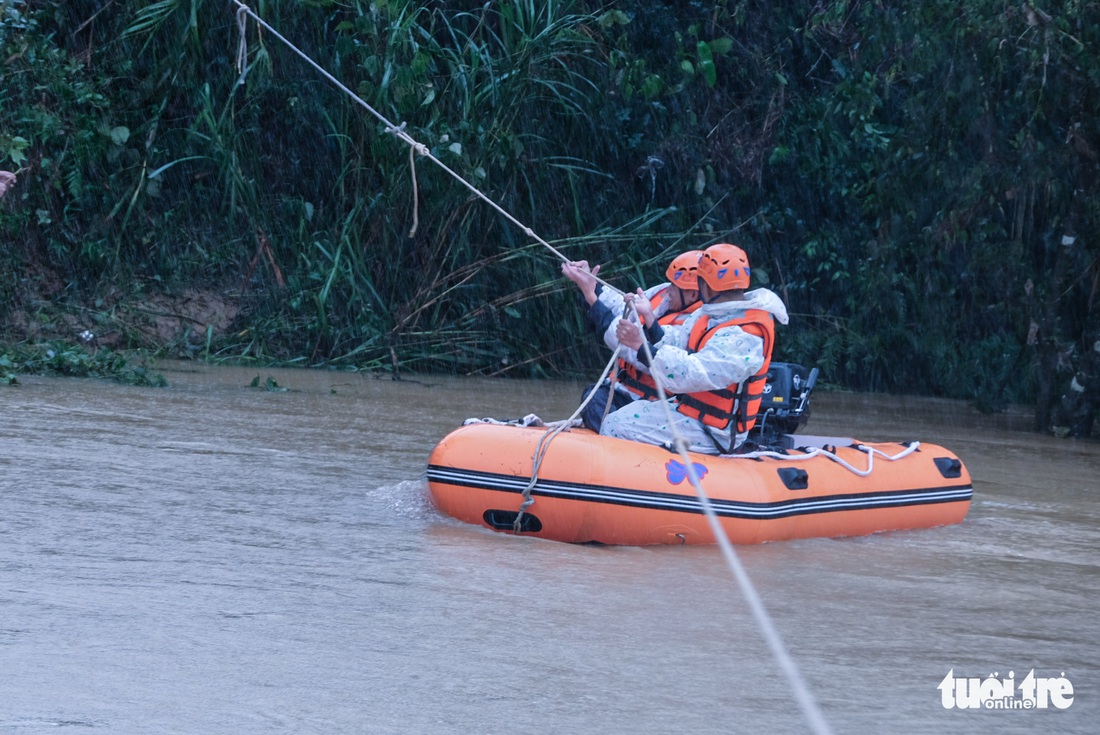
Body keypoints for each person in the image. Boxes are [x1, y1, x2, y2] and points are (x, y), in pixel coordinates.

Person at [600, 242, 789, 454]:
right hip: (689, 411)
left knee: (615, 426)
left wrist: (640, 345)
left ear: (706, 286)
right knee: (619, 416)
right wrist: (650, 322)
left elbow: (691, 374)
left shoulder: (746, 335)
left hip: (716, 432)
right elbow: (677, 340)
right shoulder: (711, 314)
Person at [562, 251, 703, 430]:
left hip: (654, 405)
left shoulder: (694, 325)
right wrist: (593, 285)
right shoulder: (664, 293)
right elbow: (623, 308)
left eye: (675, 287)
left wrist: (591, 296)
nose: (669, 290)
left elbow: (631, 348)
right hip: (623, 390)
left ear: (692, 295)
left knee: (595, 402)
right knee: (593, 398)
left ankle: (618, 443)